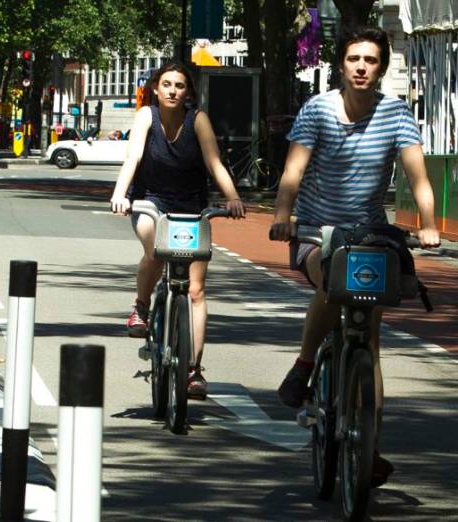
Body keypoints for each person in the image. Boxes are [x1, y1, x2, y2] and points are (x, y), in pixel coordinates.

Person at [270, 27, 439, 487]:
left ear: (382, 67)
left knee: (371, 341)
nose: (361, 67)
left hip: (369, 232)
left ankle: (369, 442)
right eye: (353, 59)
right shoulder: (317, 110)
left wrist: (427, 223)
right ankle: (306, 362)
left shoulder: (396, 114)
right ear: (341, 66)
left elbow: (419, 178)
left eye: (370, 60)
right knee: (332, 276)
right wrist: (284, 216)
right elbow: (293, 170)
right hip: (314, 231)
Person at [109, 62, 245, 399]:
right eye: (166, 84)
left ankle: (193, 370)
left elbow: (214, 163)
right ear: (155, 88)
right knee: (155, 249)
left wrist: (233, 198)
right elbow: (134, 158)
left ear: (189, 92)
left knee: (196, 290)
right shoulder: (146, 116)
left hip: (192, 205)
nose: (172, 90)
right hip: (150, 202)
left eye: (179, 85)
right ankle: (141, 307)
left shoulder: (197, 120)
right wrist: (120, 194)